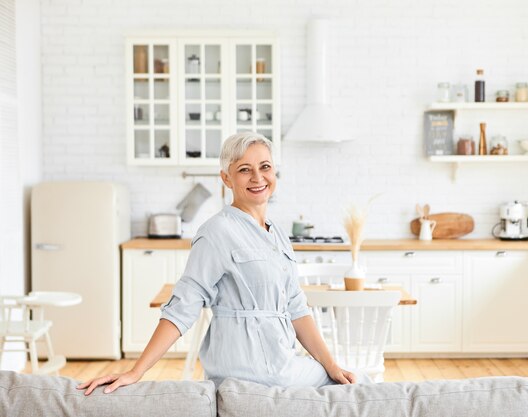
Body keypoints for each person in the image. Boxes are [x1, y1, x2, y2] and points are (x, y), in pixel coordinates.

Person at [78, 132, 363, 396]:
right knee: (360, 388)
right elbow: (183, 306)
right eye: (244, 169)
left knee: (345, 379)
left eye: (265, 167)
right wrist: (136, 371)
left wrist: (331, 366)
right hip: (254, 369)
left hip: (280, 361)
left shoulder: (277, 234)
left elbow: (297, 309)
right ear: (226, 178)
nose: (257, 177)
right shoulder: (217, 231)